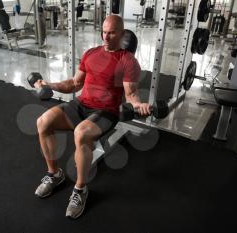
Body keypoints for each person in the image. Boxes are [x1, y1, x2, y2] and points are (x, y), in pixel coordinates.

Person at [33, 15, 150, 219]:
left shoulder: (128, 61)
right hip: (80, 105)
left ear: (122, 34)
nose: (106, 36)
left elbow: (131, 94)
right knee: (43, 122)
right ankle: (54, 175)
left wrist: (139, 105)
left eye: (112, 32)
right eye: (104, 31)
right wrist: (49, 85)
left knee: (81, 134)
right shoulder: (90, 53)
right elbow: (74, 84)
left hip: (106, 111)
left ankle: (80, 189)